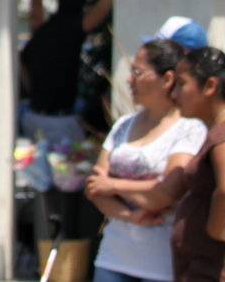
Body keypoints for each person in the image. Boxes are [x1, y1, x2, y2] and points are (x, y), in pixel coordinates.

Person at [87, 47, 225, 282]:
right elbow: (93, 187)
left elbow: (221, 191)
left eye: (182, 84)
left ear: (210, 87)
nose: (175, 94)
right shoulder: (124, 124)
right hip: (180, 264)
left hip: (203, 267)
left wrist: (213, 233)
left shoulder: (216, 134)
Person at [22, 0, 91, 142]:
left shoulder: (43, 31)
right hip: (61, 121)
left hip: (33, 115)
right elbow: (98, 14)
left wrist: (31, 89)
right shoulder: (74, 29)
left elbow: (22, 61)